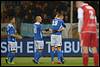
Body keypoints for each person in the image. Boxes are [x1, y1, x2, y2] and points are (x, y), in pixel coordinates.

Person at [76, 1, 99, 66]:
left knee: (85, 49)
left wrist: (81, 31)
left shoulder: (81, 8)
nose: (76, 5)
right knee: (94, 49)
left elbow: (81, 19)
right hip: (93, 30)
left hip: (86, 30)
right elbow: (95, 21)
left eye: (76, 4)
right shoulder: (92, 8)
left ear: (80, 2)